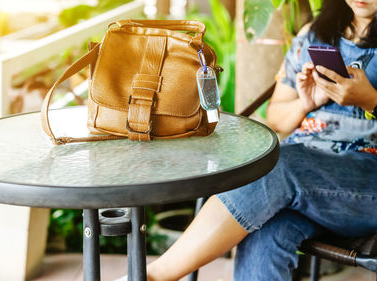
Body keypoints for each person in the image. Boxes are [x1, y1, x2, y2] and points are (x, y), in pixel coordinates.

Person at [144, 0, 377, 280]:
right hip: (306, 181)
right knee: (265, 235)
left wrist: (371, 100)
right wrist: (305, 104)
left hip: (364, 183)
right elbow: (277, 116)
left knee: (276, 164)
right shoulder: (315, 34)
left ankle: (154, 275)